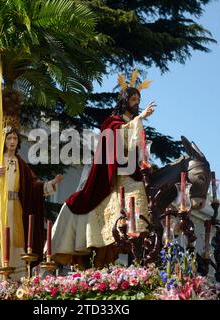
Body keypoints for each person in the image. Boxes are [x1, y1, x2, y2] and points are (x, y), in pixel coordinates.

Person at [46, 72, 156, 268]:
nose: (136, 102)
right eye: (133, 99)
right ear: (125, 101)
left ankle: (137, 241)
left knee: (139, 189)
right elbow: (118, 137)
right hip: (113, 176)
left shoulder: (131, 123)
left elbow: (136, 150)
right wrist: (139, 119)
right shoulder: (112, 122)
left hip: (129, 172)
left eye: (138, 99)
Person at [0, 126, 63, 281]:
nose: (12, 141)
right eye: (9, 138)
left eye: (15, 138)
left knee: (17, 240)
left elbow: (33, 186)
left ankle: (17, 281)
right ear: (3, 141)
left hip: (16, 208)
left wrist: (51, 184)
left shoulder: (21, 164)